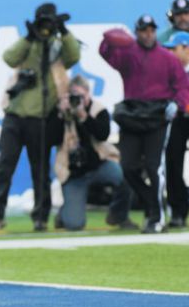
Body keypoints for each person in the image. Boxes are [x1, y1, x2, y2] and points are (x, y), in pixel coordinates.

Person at [0, 2, 80, 232]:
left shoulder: (57, 47)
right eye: (43, 22)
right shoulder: (28, 45)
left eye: (49, 22)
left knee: (40, 172)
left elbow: (74, 55)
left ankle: (41, 217)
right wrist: (29, 36)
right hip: (15, 116)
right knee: (4, 167)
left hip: (41, 118)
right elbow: (9, 57)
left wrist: (63, 31)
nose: (45, 27)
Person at [99, 15, 189, 233]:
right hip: (132, 114)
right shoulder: (128, 54)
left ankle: (157, 218)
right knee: (128, 168)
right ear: (137, 32)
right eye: (144, 30)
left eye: (151, 30)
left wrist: (177, 105)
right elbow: (107, 54)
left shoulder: (167, 58)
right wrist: (107, 38)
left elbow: (184, 86)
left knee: (154, 167)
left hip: (157, 117)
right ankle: (153, 204)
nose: (148, 34)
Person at [53, 75, 135, 231]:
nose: (78, 100)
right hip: (74, 173)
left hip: (99, 165)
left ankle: (118, 215)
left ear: (88, 93)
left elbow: (102, 135)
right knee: (74, 225)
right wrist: (60, 115)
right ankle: (64, 213)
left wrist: (84, 116)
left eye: (81, 96)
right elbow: (52, 139)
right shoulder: (63, 112)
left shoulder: (98, 109)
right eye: (74, 96)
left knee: (123, 175)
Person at [157, 0, 189, 227]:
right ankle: (178, 211)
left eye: (186, 13)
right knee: (173, 162)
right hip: (177, 113)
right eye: (179, 14)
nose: (183, 17)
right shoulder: (163, 40)